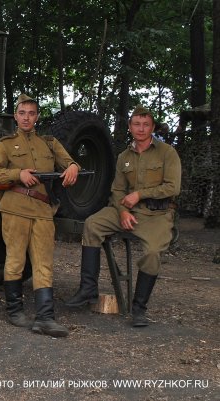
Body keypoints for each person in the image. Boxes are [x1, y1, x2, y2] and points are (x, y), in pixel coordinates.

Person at [66, 105, 181, 327]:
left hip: (156, 214)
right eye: (136, 124)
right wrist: (123, 211)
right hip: (127, 209)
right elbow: (117, 190)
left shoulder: (167, 153)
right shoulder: (123, 157)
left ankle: (139, 308)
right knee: (92, 224)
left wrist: (139, 194)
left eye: (146, 124)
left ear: (152, 127)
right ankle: (88, 290)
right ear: (130, 127)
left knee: (152, 253)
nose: (141, 129)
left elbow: (172, 187)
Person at [0, 94, 79, 337]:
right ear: (16, 116)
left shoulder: (49, 143)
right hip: (15, 206)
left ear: (37, 117)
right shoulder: (5, 144)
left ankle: (45, 318)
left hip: (42, 209)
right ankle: (15, 310)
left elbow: (70, 163)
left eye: (31, 113)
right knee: (16, 260)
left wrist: (72, 167)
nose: (26, 117)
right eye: (22, 113)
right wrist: (19, 174)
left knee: (43, 262)